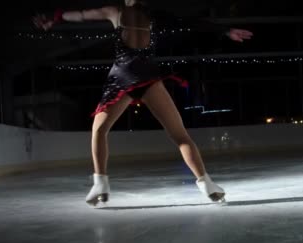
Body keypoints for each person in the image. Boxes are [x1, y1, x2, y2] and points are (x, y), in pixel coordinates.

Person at [33, 0, 253, 207]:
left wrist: (57, 17)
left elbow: (81, 16)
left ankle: (100, 182)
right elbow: (191, 22)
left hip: (122, 78)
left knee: (99, 131)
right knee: (180, 136)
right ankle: (206, 184)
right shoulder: (153, 15)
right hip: (148, 77)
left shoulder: (115, 12)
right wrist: (224, 31)